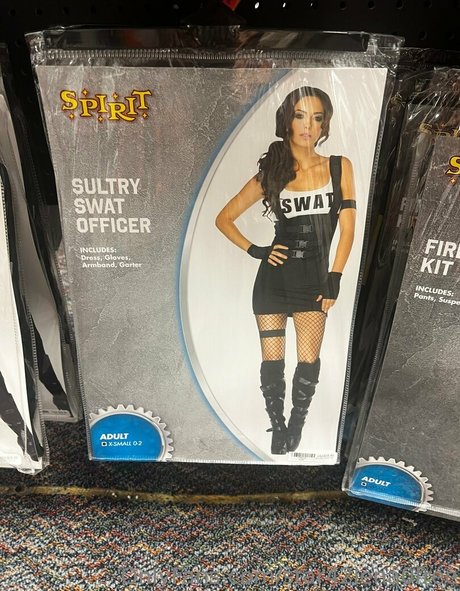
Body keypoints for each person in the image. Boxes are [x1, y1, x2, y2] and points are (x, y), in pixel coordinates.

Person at [215, 86, 356, 455]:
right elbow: (224, 218)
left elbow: (347, 230)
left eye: (316, 118)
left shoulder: (339, 167)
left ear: (324, 124)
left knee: (308, 361)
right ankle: (278, 428)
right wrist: (258, 250)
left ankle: (297, 425)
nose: (308, 125)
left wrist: (335, 278)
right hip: (273, 282)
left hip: (314, 282)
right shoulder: (272, 173)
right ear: (288, 121)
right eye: (300, 116)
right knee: (272, 360)